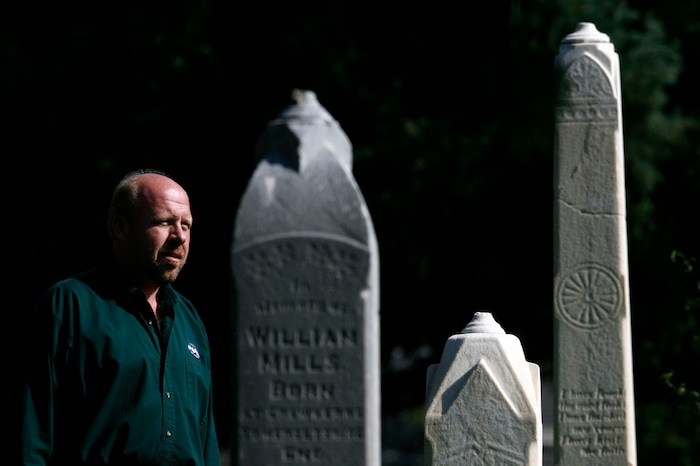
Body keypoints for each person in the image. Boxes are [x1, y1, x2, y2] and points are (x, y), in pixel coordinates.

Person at [12, 169, 220, 465]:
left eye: (186, 225)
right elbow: (30, 436)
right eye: (164, 222)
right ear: (121, 227)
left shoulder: (190, 321)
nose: (179, 237)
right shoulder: (68, 306)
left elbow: (206, 438)